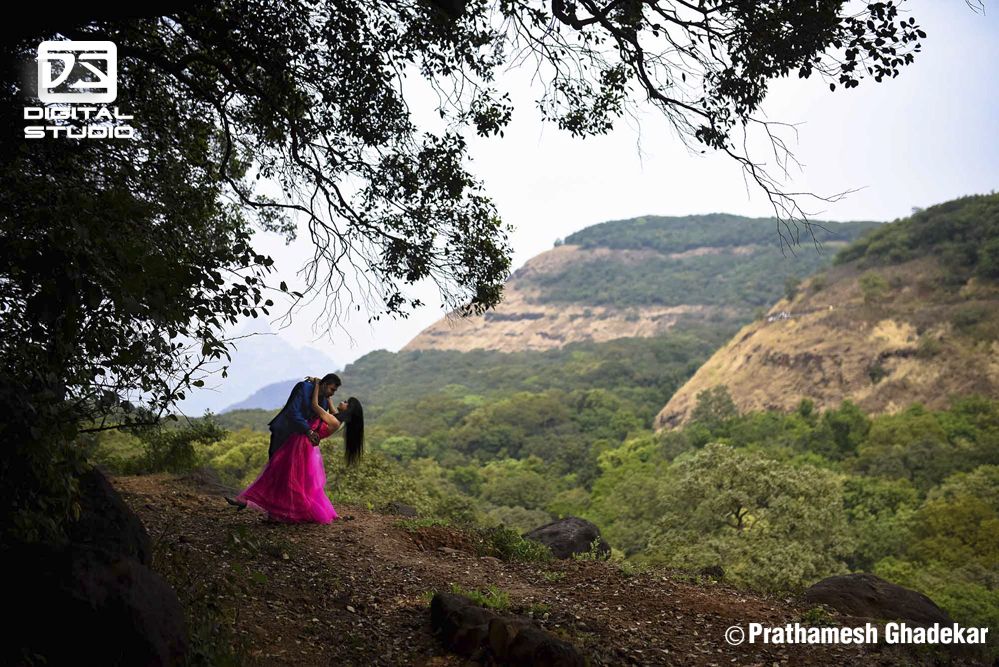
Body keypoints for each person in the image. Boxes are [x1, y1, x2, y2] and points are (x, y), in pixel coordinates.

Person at [266, 373, 340, 460]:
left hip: (300, 440)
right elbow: (293, 412)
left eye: (334, 391)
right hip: (284, 431)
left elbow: (327, 417)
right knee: (276, 464)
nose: (333, 393)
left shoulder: (325, 401)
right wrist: (309, 431)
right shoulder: (304, 387)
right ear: (324, 385)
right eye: (332, 389)